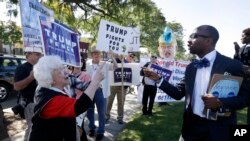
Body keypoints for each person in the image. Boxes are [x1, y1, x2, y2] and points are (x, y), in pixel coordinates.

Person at [144, 25, 250, 141]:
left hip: (219, 130)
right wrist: (159, 79)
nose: (188, 41)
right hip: (191, 129)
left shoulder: (232, 65)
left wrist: (221, 102)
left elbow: (246, 97)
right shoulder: (190, 67)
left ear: (208, 40)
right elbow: (178, 93)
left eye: (193, 36)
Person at [28, 55, 105, 141]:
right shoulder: (52, 99)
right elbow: (81, 105)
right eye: (60, 71)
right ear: (51, 79)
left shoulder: (48, 89)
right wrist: (95, 82)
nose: (66, 72)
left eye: (63, 68)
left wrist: (95, 83)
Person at [85, 49, 117, 140]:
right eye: (95, 54)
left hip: (101, 91)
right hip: (89, 90)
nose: (97, 55)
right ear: (92, 55)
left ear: (101, 55)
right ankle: (92, 128)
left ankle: (101, 131)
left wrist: (112, 57)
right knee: (89, 112)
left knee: (101, 113)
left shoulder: (105, 64)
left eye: (98, 54)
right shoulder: (87, 64)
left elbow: (116, 67)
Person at [13, 47, 43, 141]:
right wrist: (31, 77)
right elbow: (16, 86)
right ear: (28, 54)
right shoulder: (22, 68)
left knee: (39, 128)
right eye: (37, 54)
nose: (40, 56)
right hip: (30, 104)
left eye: (40, 54)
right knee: (32, 128)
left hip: (40, 102)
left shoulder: (39, 67)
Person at [106, 52, 135, 124]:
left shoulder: (132, 66)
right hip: (113, 85)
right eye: (130, 55)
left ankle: (120, 118)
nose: (131, 57)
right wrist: (114, 56)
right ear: (127, 55)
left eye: (132, 57)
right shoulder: (119, 60)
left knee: (121, 103)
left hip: (123, 88)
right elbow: (114, 62)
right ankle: (106, 116)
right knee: (109, 101)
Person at [157, 27, 178, 106]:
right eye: (163, 47)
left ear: (176, 48)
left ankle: (166, 101)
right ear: (159, 49)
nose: (166, 50)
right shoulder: (155, 63)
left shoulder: (180, 66)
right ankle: (161, 102)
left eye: (169, 46)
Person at [234, 27, 250, 124]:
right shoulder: (242, 48)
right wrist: (236, 51)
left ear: (248, 36)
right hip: (243, 81)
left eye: (243, 36)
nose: (241, 38)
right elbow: (237, 62)